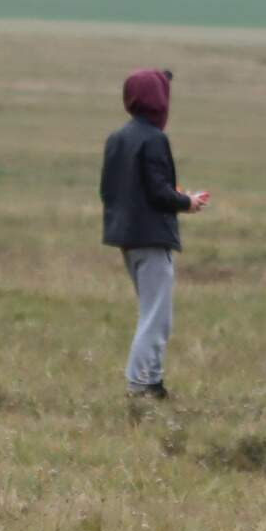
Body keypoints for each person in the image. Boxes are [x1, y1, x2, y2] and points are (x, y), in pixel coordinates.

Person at [100, 68, 208, 400]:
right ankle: (140, 385)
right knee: (155, 318)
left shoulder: (117, 138)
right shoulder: (154, 139)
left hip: (127, 237)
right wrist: (186, 202)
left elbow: (113, 190)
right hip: (151, 238)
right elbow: (159, 192)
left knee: (154, 313)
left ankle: (152, 382)